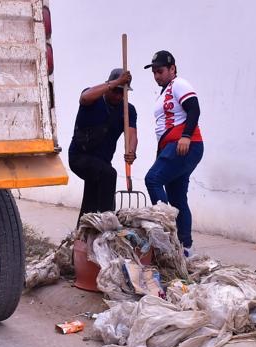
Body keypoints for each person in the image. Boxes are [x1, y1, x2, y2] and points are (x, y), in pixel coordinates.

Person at [143, 49, 204, 254]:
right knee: (177, 198)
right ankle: (185, 249)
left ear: (172, 69)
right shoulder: (165, 91)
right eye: (154, 72)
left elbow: (194, 109)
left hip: (184, 144)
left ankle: (166, 235)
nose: (156, 76)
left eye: (160, 71)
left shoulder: (179, 84)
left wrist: (186, 136)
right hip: (173, 147)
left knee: (152, 179)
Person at [68, 68, 138, 216]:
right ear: (109, 85)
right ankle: (106, 219)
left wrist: (131, 151)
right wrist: (118, 82)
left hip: (102, 162)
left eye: (123, 92)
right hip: (79, 157)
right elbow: (84, 98)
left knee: (92, 196)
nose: (118, 96)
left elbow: (132, 134)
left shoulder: (128, 110)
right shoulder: (93, 97)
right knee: (109, 175)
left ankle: (84, 227)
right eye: (116, 91)